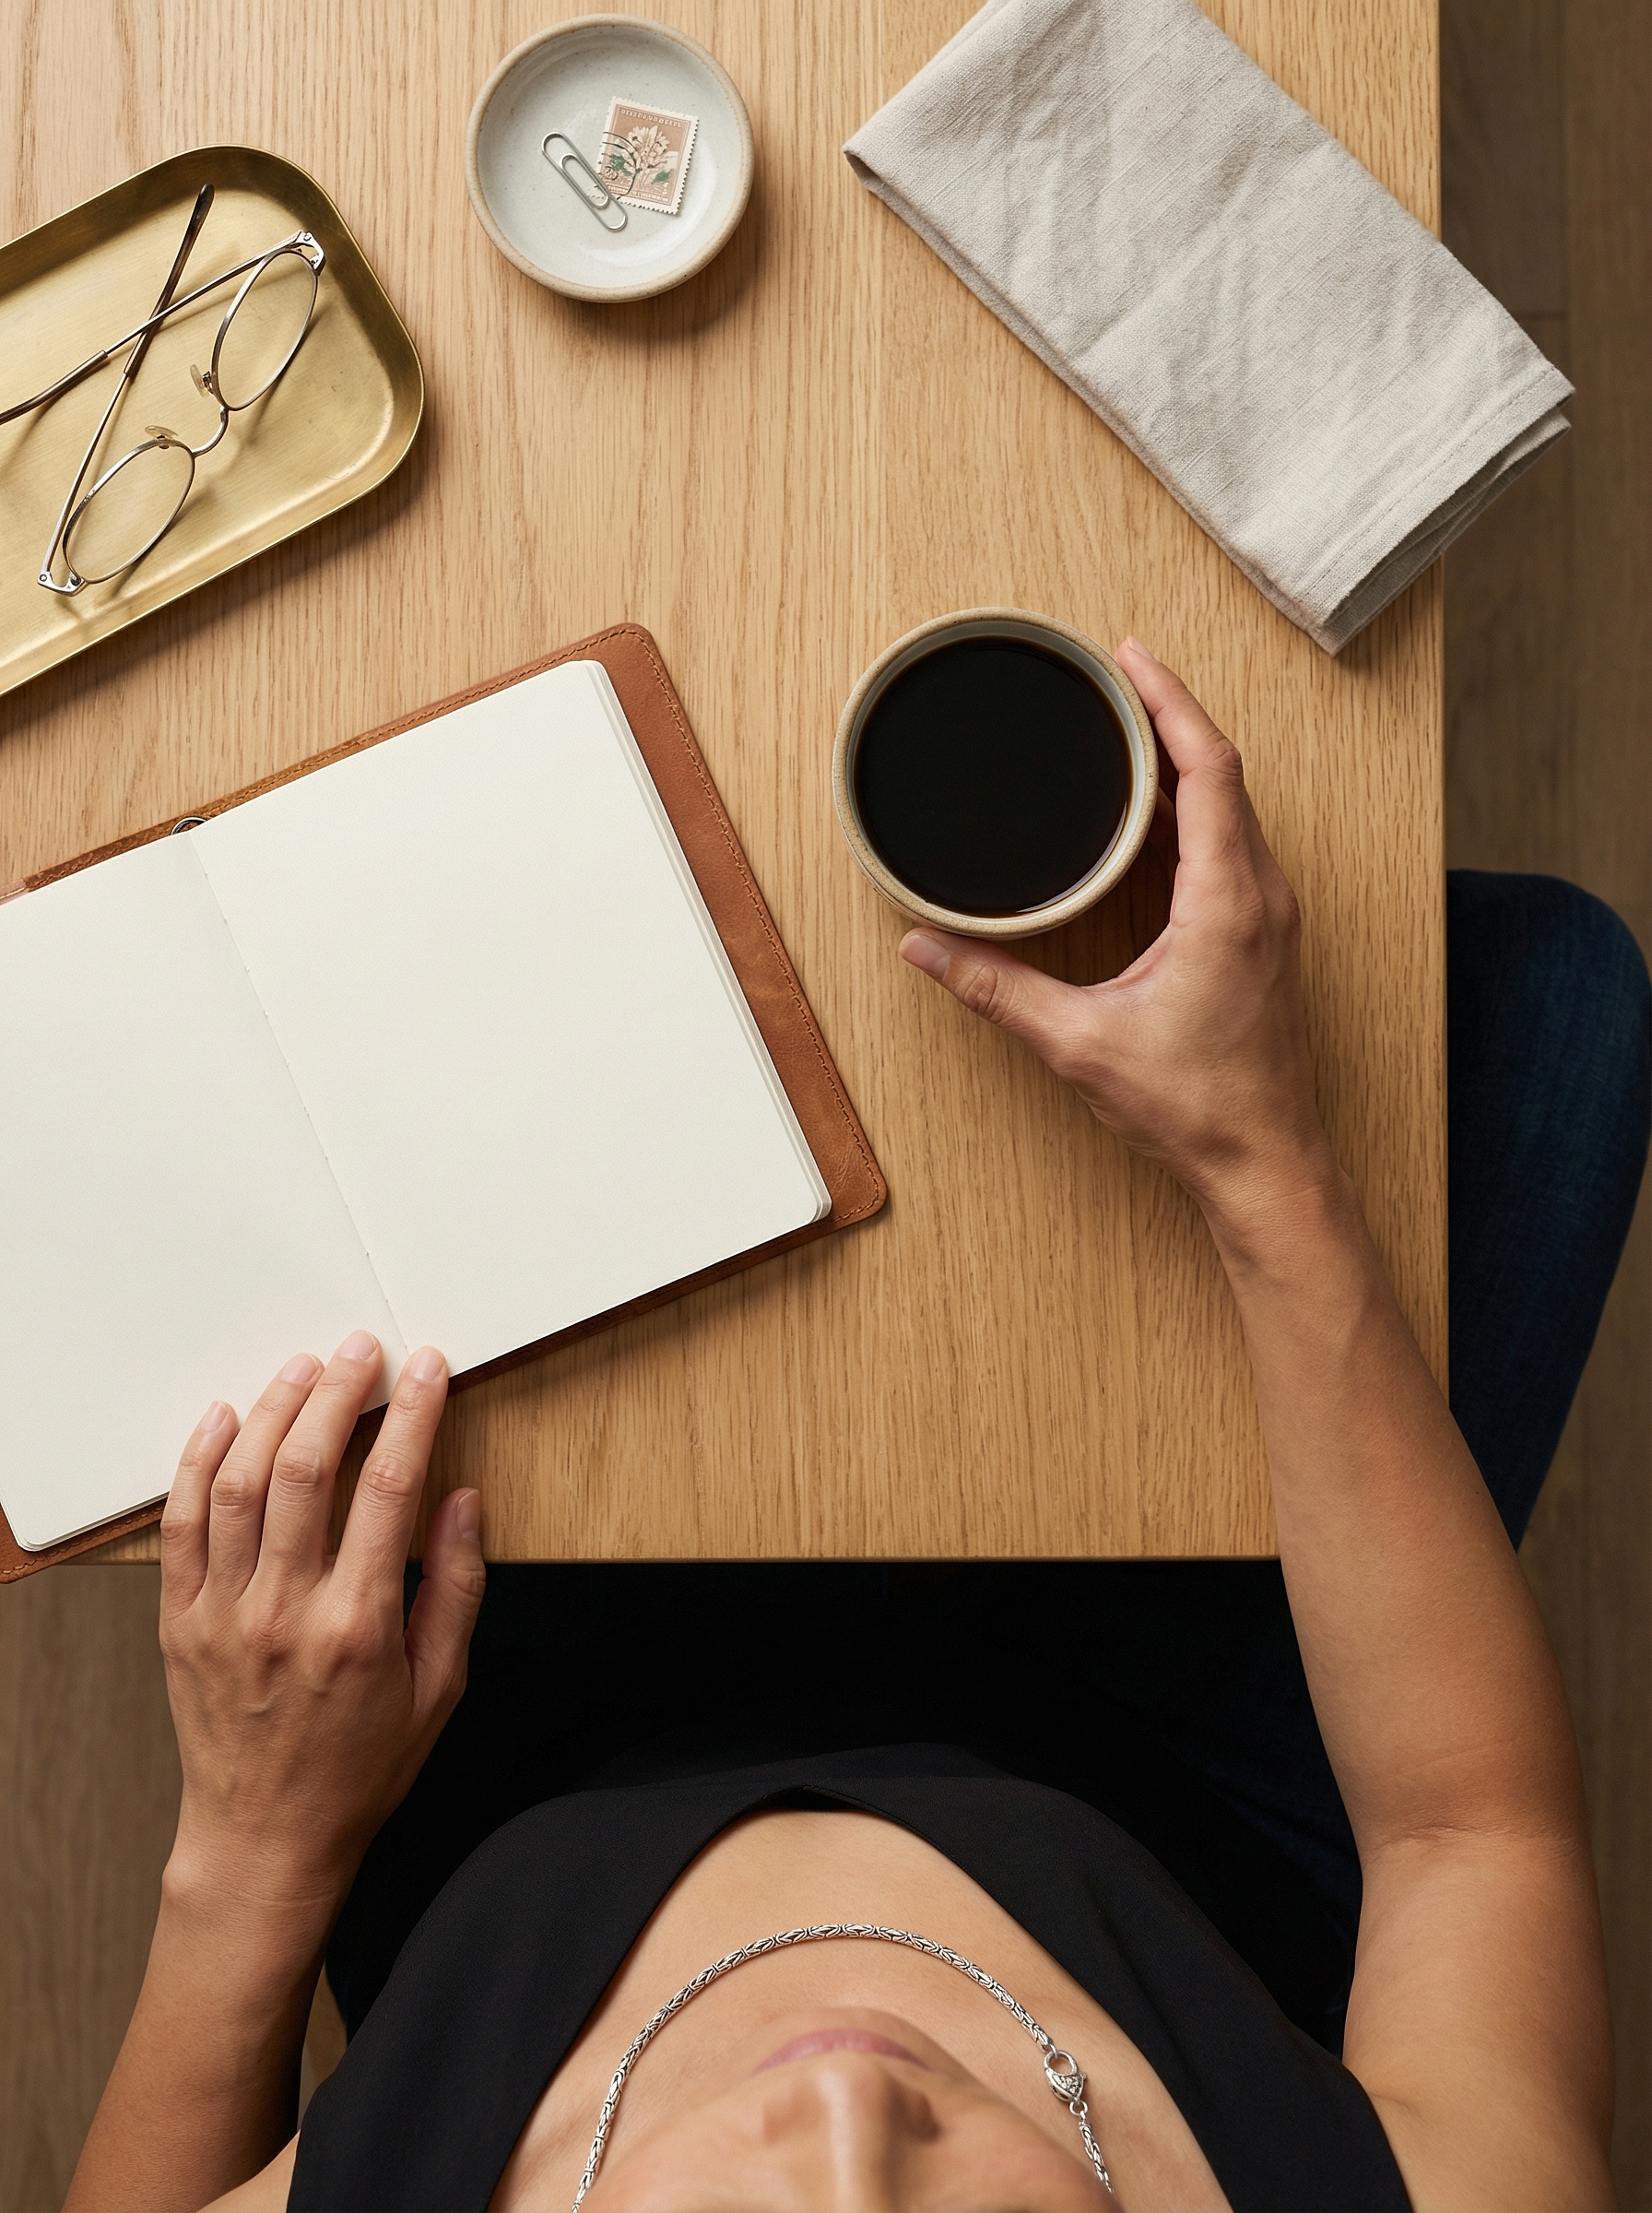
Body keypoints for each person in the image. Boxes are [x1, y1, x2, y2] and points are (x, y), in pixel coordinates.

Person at [64, 642, 1648, 2213]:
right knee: (1554, 998)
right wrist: (1257, 1155)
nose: (844, 2099)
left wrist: (256, 1837)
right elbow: (1463, 1828)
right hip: (1158, 1818)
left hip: (520, 1776)